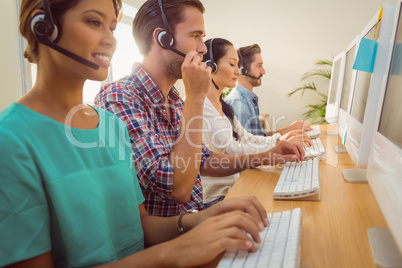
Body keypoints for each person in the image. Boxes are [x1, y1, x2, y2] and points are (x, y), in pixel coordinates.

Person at [0, 0, 283, 267]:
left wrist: (197, 221)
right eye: (93, 21)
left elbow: (140, 226)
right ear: (43, 27)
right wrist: (175, 250)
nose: (110, 39)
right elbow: (179, 187)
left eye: (112, 27)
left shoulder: (111, 124)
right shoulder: (11, 140)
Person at [95, 0, 304, 216]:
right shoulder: (121, 97)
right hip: (174, 237)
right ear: (162, 38)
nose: (203, 49)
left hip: (196, 216)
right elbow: (178, 188)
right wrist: (195, 96)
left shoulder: (173, 99)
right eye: (195, 36)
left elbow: (205, 160)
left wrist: (268, 155)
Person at [200, 38, 310, 206]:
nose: (238, 71)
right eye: (232, 65)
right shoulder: (200, 105)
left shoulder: (223, 105)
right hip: (216, 198)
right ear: (211, 66)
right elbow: (231, 149)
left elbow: (248, 137)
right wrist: (272, 150)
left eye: (238, 65)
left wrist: (279, 142)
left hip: (234, 186)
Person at [225, 44, 313, 138]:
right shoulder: (240, 103)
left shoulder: (248, 99)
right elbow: (248, 147)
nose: (263, 71)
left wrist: (290, 129)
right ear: (242, 70)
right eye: (259, 66)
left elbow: (260, 138)